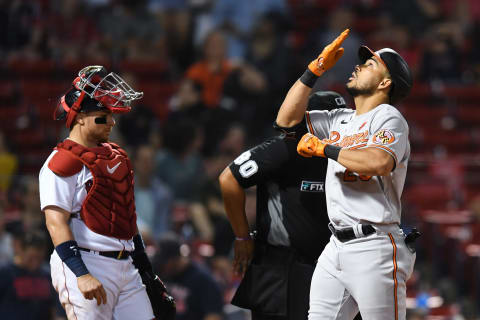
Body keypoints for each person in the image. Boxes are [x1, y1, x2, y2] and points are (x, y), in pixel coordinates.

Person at [275, 28, 418, 319]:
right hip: (335, 246)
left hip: (375, 246)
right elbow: (285, 120)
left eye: (370, 64)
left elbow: (378, 162)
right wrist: (314, 70)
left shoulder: (389, 117)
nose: (358, 65)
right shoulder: (340, 119)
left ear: (385, 82)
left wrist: (325, 149)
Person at [38, 65, 171, 320]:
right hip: (88, 261)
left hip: (126, 263)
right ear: (79, 116)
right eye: (103, 115)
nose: (111, 121)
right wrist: (82, 273)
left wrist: (146, 269)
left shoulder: (116, 156)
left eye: (111, 115)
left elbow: (127, 218)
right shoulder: (62, 162)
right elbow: (55, 222)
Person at [219, 91, 348, 320]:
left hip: (332, 268)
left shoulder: (349, 156)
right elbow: (229, 179)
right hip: (281, 271)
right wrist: (242, 238)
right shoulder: (285, 149)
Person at [153, 233, 224, 320]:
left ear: (175, 258)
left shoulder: (203, 279)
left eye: (164, 262)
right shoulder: (162, 272)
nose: (161, 266)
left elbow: (214, 315)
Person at [0, 229, 55, 320]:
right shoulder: (5, 273)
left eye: (39, 258)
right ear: (20, 250)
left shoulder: (46, 275)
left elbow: (52, 308)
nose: (36, 262)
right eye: (31, 258)